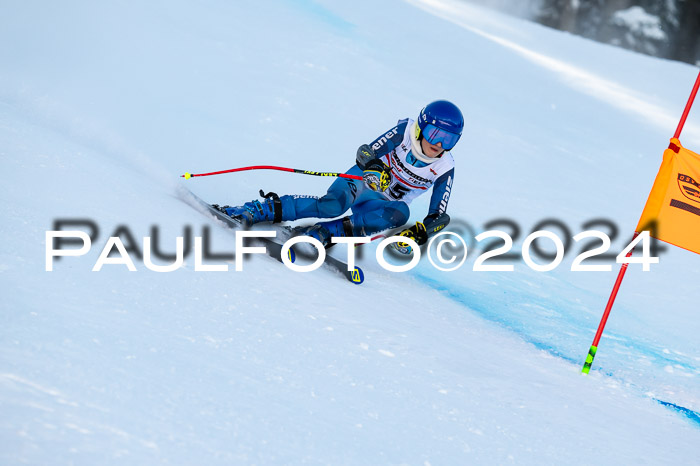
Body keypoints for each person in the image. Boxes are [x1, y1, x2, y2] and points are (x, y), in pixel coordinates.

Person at [216, 100, 462, 254]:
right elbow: (366, 151)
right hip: (364, 182)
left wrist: (421, 232)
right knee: (333, 205)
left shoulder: (444, 166)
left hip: (380, 203)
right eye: (435, 133)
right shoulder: (405, 131)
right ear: (421, 127)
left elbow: (439, 215)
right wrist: (375, 167)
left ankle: (323, 233)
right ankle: (261, 209)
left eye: (449, 139)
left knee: (401, 213)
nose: (439, 144)